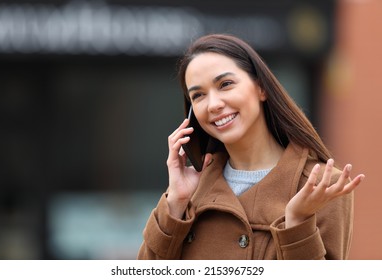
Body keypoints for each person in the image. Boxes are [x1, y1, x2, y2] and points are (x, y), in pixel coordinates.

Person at [137, 33, 365, 260]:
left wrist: (297, 222)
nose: (214, 104)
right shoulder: (189, 192)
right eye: (198, 95)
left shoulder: (322, 186)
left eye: (225, 84)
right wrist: (175, 202)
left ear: (261, 88)